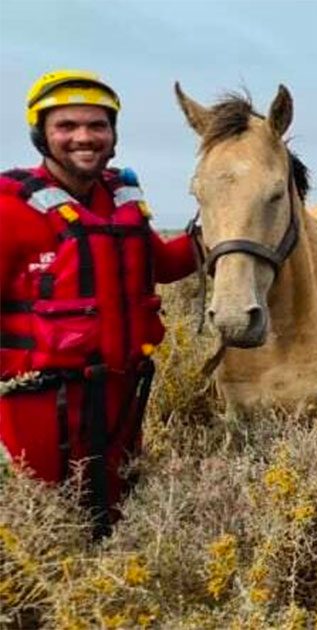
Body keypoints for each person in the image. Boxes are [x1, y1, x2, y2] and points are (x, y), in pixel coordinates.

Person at [0, 70, 196, 536]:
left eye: (97, 125)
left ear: (112, 135)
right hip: (38, 406)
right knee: (41, 532)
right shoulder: (9, 212)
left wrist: (228, 233)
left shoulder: (118, 203)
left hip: (120, 399)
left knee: (113, 523)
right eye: (66, 126)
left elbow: (163, 265)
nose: (84, 137)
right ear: (40, 134)